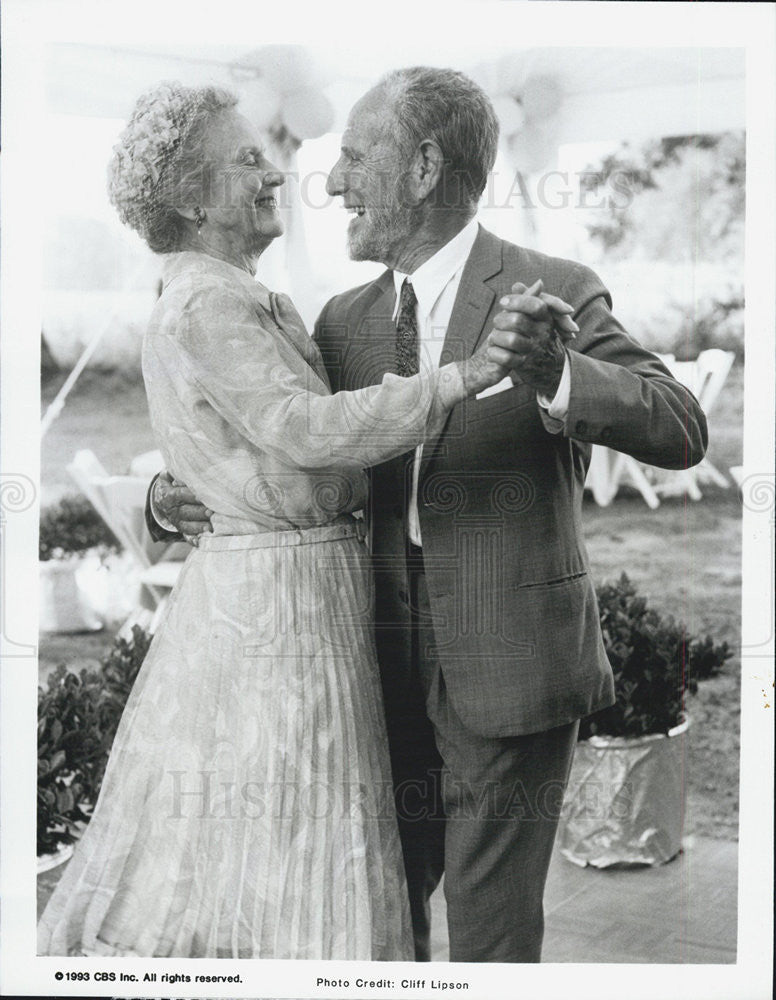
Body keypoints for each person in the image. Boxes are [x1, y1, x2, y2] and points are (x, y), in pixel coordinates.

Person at [148, 68, 708, 963]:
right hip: (359, 664)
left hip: (509, 660)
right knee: (372, 912)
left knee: (488, 936)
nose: (330, 185)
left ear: (423, 168)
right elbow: (283, 440)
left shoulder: (553, 285)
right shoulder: (339, 322)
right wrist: (169, 494)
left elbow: (682, 426)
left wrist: (557, 375)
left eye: (354, 159)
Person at [36, 81, 516, 960]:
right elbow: (302, 429)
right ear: (189, 198)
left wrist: (167, 494)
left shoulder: (221, 294)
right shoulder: (210, 301)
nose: (279, 176)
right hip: (278, 607)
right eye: (249, 159)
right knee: (302, 824)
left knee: (280, 831)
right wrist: (459, 376)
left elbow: (228, 435)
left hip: (285, 591)